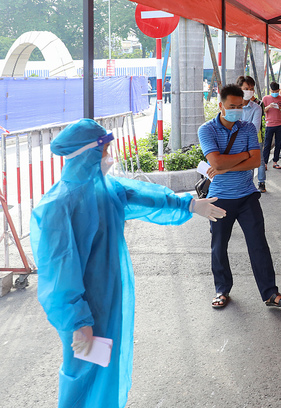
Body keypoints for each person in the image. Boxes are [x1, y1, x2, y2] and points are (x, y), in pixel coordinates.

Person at [31, 118, 226, 408]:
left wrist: (188, 204)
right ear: (88, 153)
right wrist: (77, 321)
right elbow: (59, 274)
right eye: (105, 151)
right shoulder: (57, 207)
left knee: (106, 367)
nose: (110, 157)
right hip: (83, 309)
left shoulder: (107, 189)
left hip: (109, 302)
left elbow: (144, 196)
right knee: (80, 373)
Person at [198, 84, 281, 309]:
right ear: (220, 105)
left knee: (259, 244)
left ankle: (270, 293)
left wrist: (224, 164)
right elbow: (216, 162)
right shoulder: (207, 130)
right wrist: (236, 159)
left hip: (248, 197)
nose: (237, 110)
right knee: (219, 247)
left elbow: (255, 161)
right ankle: (221, 289)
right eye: (232, 106)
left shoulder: (248, 128)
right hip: (219, 198)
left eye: (240, 106)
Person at [237, 76, 265, 192]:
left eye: (251, 88)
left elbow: (254, 128)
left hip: (252, 144)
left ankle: (260, 182)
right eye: (246, 88)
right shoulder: (231, 105)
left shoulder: (256, 108)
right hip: (236, 146)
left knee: (251, 169)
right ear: (239, 88)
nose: (249, 91)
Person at [261, 81, 281, 173]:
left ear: (279, 90)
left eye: (276, 91)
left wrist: (279, 108)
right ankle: (264, 162)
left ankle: (275, 161)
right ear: (270, 90)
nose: (275, 93)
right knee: (267, 144)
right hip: (269, 124)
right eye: (273, 91)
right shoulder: (265, 98)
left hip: (280, 124)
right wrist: (269, 106)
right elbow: (262, 111)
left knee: (278, 143)